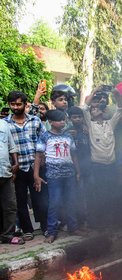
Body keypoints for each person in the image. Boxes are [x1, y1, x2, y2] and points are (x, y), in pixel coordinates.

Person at [4, 91, 48, 240]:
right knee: (20, 201)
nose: (16, 107)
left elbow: (45, 139)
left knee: (40, 198)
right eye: (13, 104)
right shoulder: (5, 124)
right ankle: (27, 230)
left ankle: (45, 226)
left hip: (36, 166)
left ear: (24, 104)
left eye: (19, 104)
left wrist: (43, 157)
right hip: (18, 168)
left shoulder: (35, 121)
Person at [34, 110, 81, 243]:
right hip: (54, 176)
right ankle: (52, 231)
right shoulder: (45, 136)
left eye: (63, 120)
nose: (63, 122)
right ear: (50, 122)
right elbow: (38, 156)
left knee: (71, 200)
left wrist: (78, 171)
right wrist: (36, 175)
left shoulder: (68, 136)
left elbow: (74, 155)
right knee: (54, 203)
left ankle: (73, 227)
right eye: (59, 120)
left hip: (69, 174)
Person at [82, 87, 122, 230]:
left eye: (98, 108)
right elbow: (84, 109)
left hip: (111, 166)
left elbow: (119, 110)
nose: (95, 109)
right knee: (99, 196)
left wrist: (117, 96)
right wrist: (94, 92)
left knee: (112, 195)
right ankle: (99, 225)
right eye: (93, 109)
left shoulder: (109, 124)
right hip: (98, 167)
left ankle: (111, 223)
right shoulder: (91, 125)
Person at [67, 106, 92, 228]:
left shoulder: (87, 131)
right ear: (70, 119)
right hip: (74, 168)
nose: (77, 119)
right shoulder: (67, 132)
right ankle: (79, 221)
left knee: (89, 193)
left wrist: (88, 134)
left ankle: (90, 219)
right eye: (74, 117)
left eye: (79, 117)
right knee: (77, 194)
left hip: (88, 166)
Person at [0, 119, 20, 244]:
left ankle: (8, 234)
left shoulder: (3, 124)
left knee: (10, 205)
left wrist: (16, 163)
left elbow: (12, 147)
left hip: (5, 172)